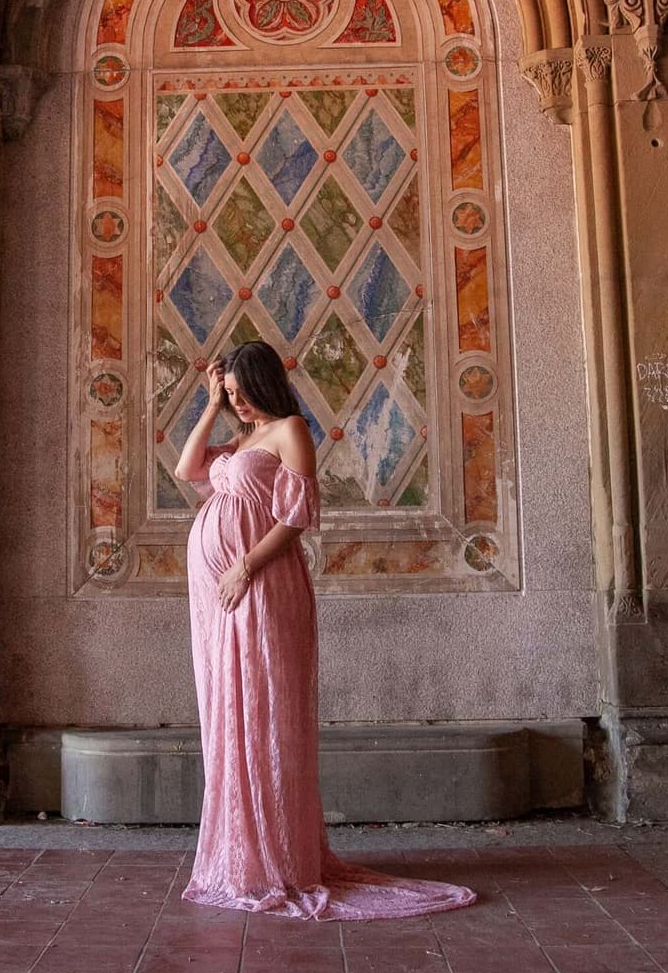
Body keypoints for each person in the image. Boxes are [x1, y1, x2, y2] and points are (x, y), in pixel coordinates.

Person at [171, 339, 476, 919]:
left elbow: (297, 516)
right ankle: (242, 856)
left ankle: (278, 860)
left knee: (264, 711)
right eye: (228, 394)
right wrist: (209, 402)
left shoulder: (290, 429)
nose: (236, 403)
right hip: (220, 599)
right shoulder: (240, 438)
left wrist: (243, 565)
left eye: (238, 392)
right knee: (229, 710)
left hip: (260, 586)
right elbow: (188, 470)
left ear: (262, 383)